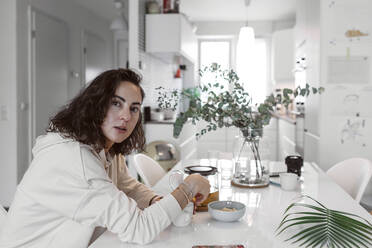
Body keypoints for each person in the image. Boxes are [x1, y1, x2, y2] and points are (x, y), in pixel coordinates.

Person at [0, 69, 210, 248]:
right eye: (116, 104)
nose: (126, 116)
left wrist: (154, 200)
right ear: (95, 105)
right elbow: (139, 229)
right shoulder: (74, 161)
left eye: (134, 108)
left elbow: (127, 186)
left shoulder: (103, 146)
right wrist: (188, 187)